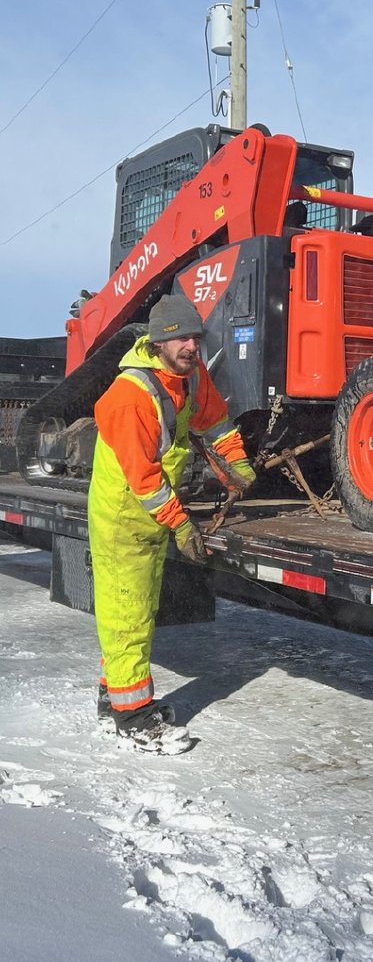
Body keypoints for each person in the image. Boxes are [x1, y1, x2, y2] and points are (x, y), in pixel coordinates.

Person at [88, 295, 255, 754]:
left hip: (149, 516)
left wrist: (237, 465)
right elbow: (144, 483)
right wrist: (181, 525)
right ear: (158, 340)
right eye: (182, 337)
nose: (191, 345)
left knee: (134, 614)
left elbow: (216, 423)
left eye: (196, 337)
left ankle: (114, 699)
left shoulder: (190, 377)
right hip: (124, 516)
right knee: (128, 617)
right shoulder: (129, 397)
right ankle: (133, 718)